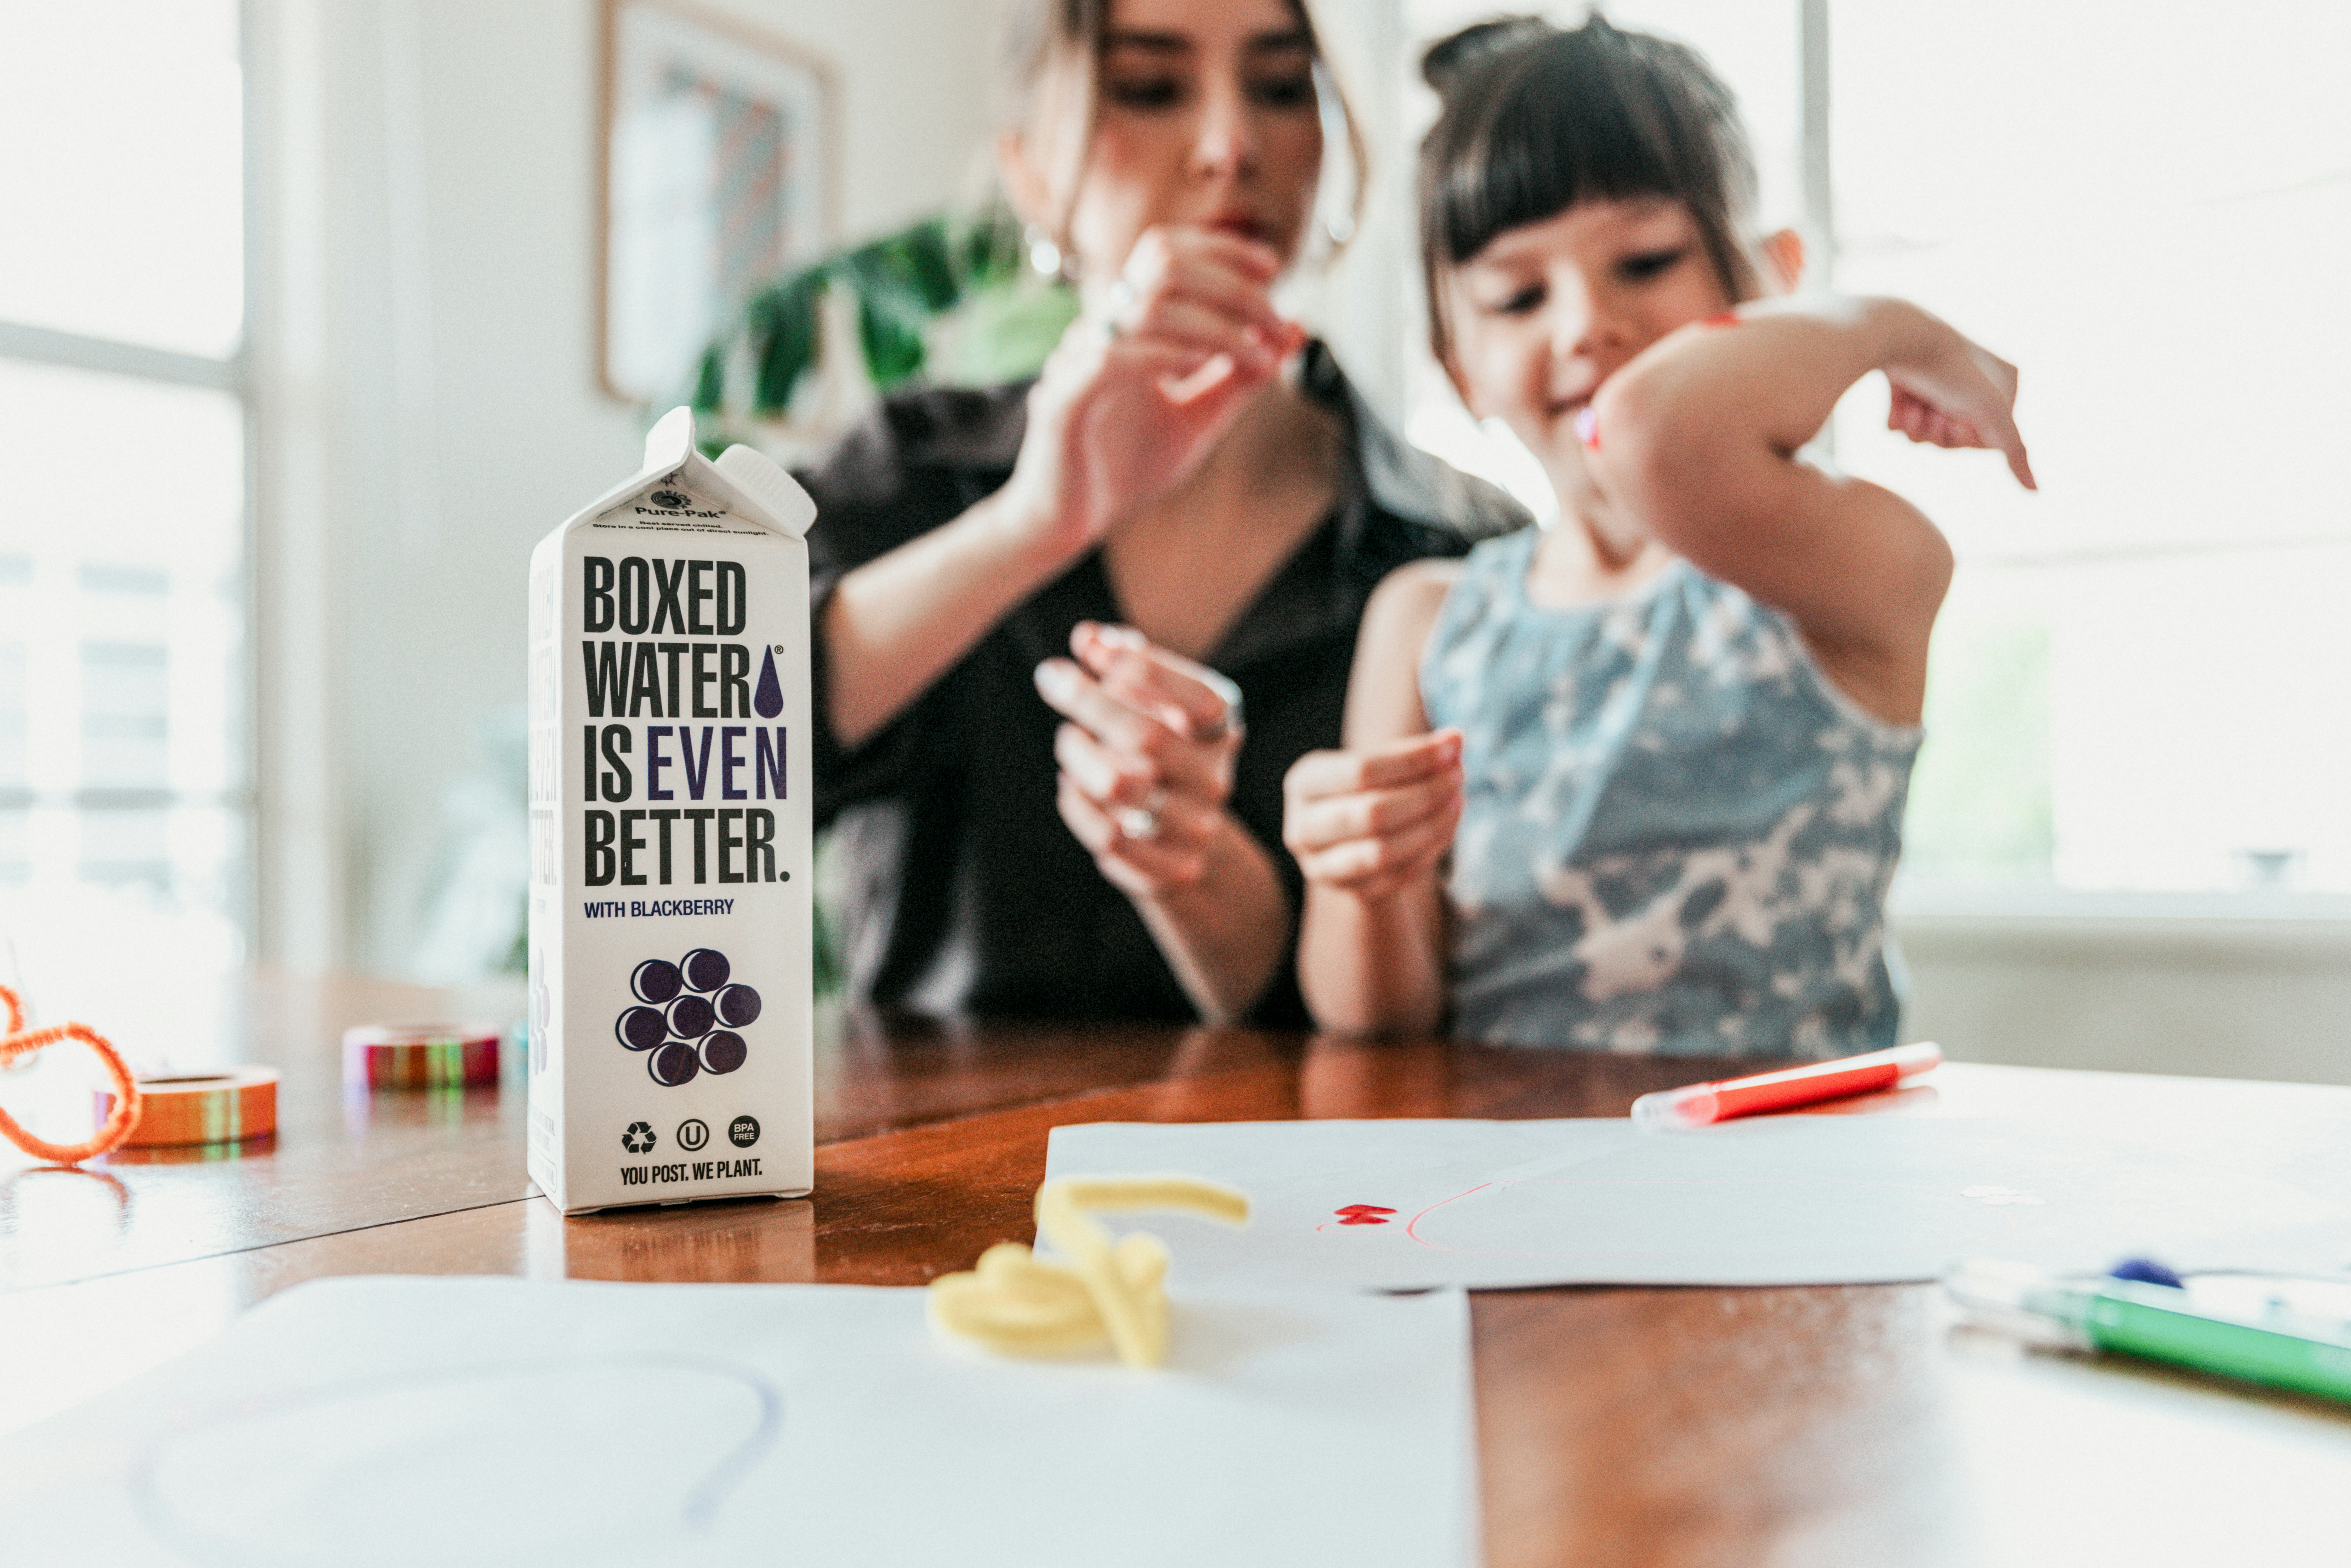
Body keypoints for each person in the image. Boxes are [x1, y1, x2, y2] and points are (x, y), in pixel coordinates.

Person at [1282, 16, 2034, 1055]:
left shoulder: (1855, 568)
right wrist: (1352, 873)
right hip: (1510, 1180)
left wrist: (1898, 329)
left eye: (1643, 261)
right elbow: (1378, 1016)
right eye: (1517, 295)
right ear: (1458, 365)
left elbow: (1657, 434)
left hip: (1797, 1177)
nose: (1584, 324)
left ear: (1769, 284)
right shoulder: (1424, 622)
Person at [799, 0, 1525, 1026]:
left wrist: (1209, 873)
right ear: (1031, 171)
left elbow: (1469, 997)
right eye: (1149, 88)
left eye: (1281, 87)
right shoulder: (912, 474)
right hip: (919, 1171)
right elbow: (686, 758)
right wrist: (1030, 525)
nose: (1233, 147)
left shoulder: (1466, 548)